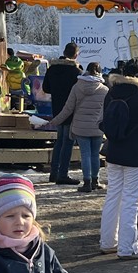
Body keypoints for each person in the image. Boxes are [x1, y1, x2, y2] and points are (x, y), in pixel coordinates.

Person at [99, 60, 138, 260]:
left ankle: (108, 242)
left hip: (114, 152)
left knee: (113, 197)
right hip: (136, 154)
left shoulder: (111, 93)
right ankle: (128, 248)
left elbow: (104, 122)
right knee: (131, 202)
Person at [48, 61, 108, 192]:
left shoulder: (77, 87)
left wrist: (55, 121)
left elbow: (68, 108)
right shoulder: (104, 90)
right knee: (94, 155)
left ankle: (86, 183)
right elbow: (107, 110)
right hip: (97, 127)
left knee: (85, 154)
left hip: (80, 127)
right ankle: (95, 181)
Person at [43, 42, 84, 185]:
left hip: (56, 109)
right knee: (68, 142)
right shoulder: (76, 72)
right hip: (71, 110)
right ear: (76, 55)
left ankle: (54, 173)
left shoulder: (52, 69)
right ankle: (63, 174)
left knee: (59, 141)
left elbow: (46, 88)